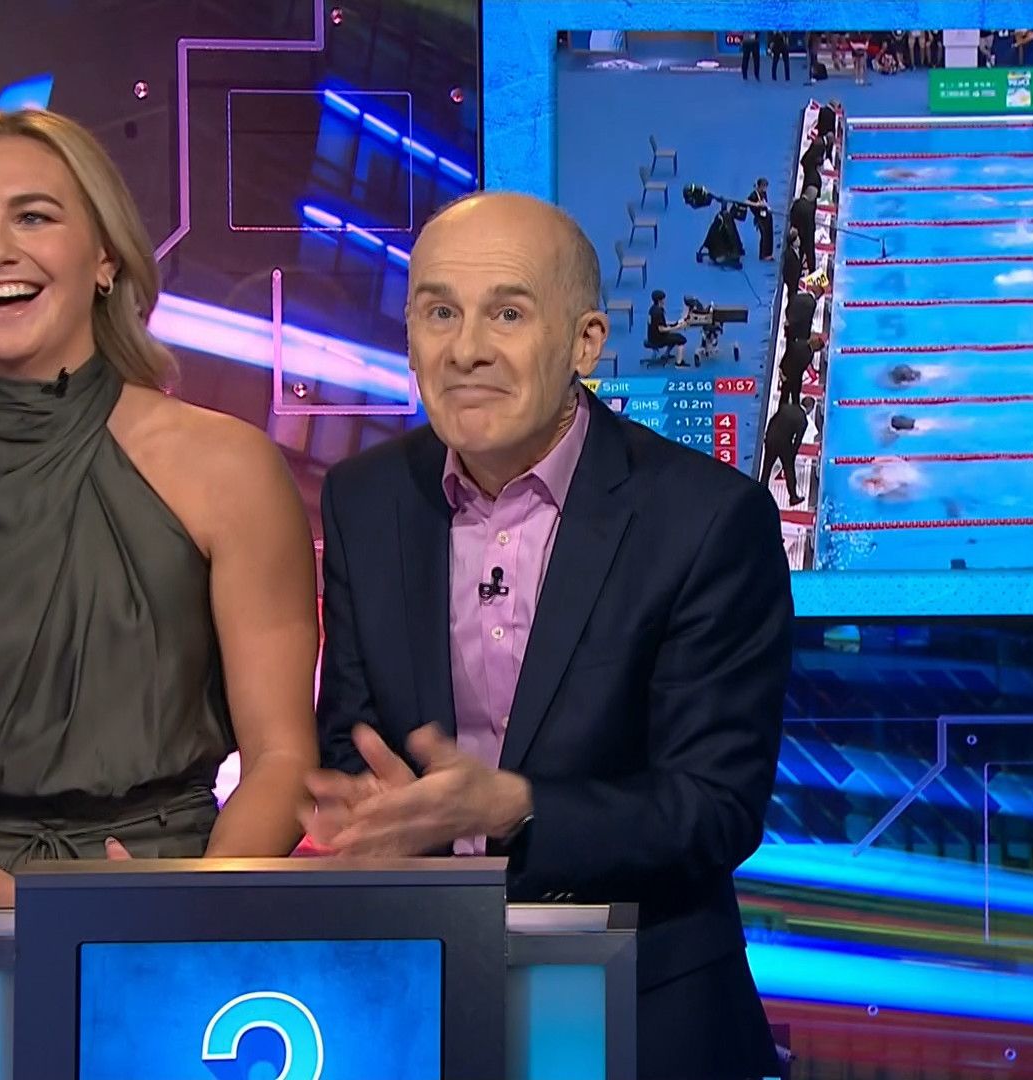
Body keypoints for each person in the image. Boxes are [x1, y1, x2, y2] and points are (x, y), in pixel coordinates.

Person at [0, 108, 319, 1080]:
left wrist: (175, 913)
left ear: (105, 258)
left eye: (33, 216)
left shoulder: (229, 469)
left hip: (178, 926)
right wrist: (28, 918)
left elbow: (284, 755)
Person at [303, 191, 791, 1080]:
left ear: (585, 343)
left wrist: (514, 808)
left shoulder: (707, 520)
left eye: (508, 314)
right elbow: (352, 736)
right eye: (439, 313)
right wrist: (371, 811)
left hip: (641, 1000)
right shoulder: (365, 499)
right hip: (425, 997)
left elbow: (714, 807)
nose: (466, 349)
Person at [761, 395, 813, 505]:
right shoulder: (803, 420)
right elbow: (797, 441)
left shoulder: (786, 407)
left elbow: (772, 421)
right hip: (784, 445)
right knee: (789, 471)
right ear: (810, 408)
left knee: (766, 468)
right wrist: (792, 454)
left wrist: (768, 435)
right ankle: (793, 497)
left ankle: (760, 492)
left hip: (771, 439)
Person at [646, 288, 690, 366]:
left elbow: (662, 323)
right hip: (658, 339)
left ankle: (666, 354)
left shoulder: (652, 309)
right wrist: (677, 327)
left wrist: (676, 323)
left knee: (674, 336)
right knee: (681, 340)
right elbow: (661, 329)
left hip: (651, 336)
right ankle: (679, 363)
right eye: (663, 299)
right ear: (660, 300)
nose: (664, 300)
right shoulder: (658, 312)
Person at [789, 186, 819, 273]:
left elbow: (792, 217)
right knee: (810, 256)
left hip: (798, 233)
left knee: (799, 254)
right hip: (807, 235)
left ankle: (797, 271)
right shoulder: (810, 208)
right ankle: (812, 272)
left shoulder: (796, 203)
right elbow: (810, 224)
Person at [746, 177, 775, 262]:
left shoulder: (764, 193)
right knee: (764, 235)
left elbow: (765, 202)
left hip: (766, 216)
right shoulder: (754, 194)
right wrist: (756, 204)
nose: (765, 188)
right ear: (760, 186)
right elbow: (746, 202)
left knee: (769, 234)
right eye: (764, 186)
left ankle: (768, 254)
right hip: (760, 218)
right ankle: (763, 255)